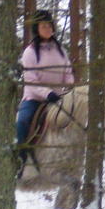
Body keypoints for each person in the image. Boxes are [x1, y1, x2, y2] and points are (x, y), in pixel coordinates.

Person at [17, 9, 74, 167]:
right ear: (37, 29)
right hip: (34, 99)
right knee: (22, 122)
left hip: (59, 99)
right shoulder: (29, 53)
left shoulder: (61, 51)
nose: (48, 29)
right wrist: (48, 93)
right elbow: (31, 80)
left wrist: (68, 91)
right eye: (43, 26)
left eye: (49, 26)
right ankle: (19, 161)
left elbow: (68, 74)